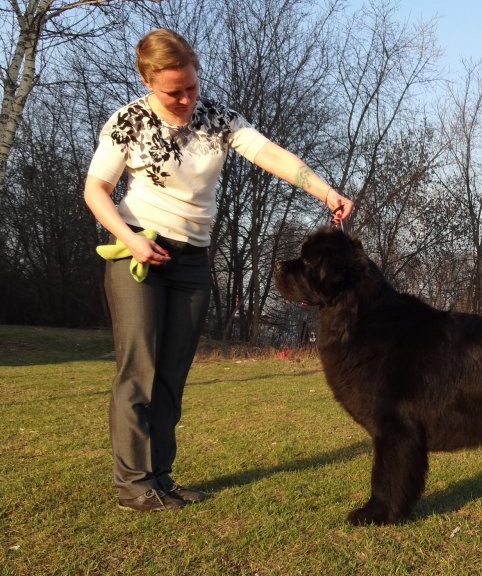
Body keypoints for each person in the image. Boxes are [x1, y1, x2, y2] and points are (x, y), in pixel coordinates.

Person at [84, 28, 353, 512]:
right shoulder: (127, 122)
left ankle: (160, 478)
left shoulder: (217, 119)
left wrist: (323, 190)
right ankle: (133, 485)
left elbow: (268, 153)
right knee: (139, 371)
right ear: (147, 81)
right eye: (173, 91)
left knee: (171, 374)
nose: (186, 98)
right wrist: (132, 240)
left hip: (191, 260)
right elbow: (96, 191)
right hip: (138, 254)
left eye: (191, 86)